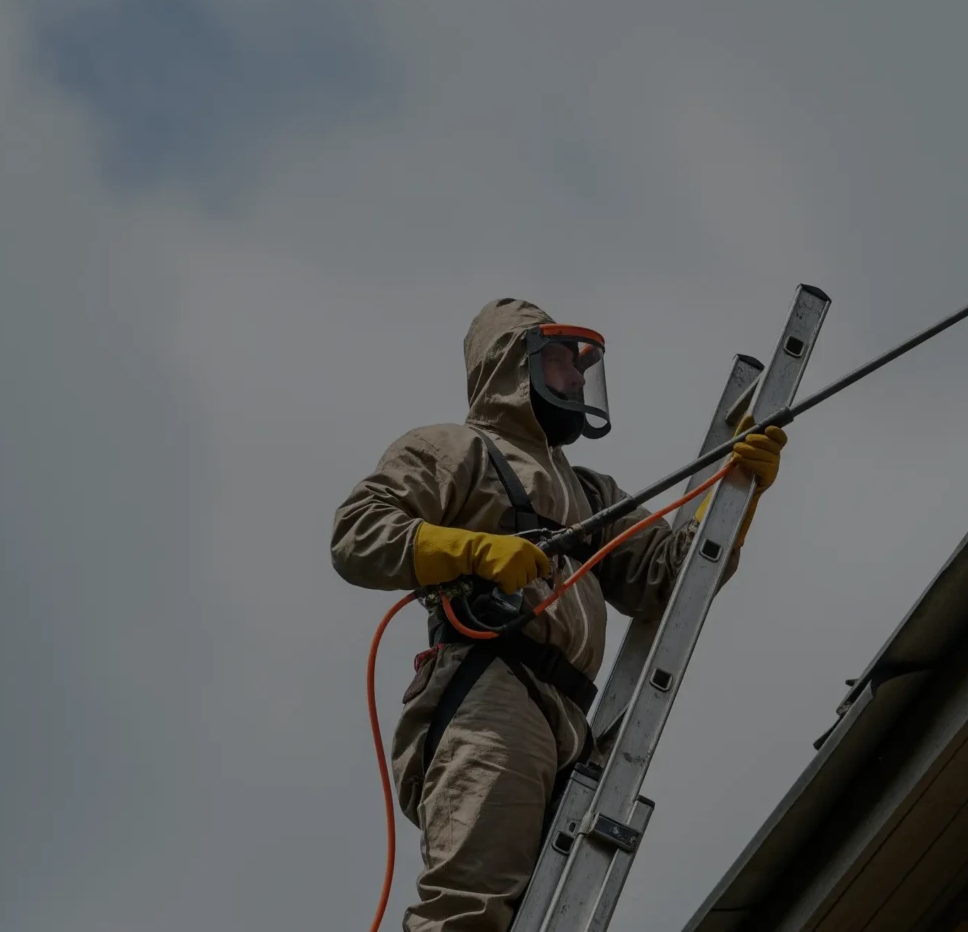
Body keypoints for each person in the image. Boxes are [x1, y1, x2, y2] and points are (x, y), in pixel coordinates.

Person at [330, 298, 785, 931]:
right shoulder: (455, 448)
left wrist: (739, 492)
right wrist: (474, 548)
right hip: (489, 692)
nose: (575, 378)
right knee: (471, 907)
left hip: (570, 718)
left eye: (580, 367)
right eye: (560, 362)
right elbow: (358, 535)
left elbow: (665, 582)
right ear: (511, 365)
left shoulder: (591, 492)